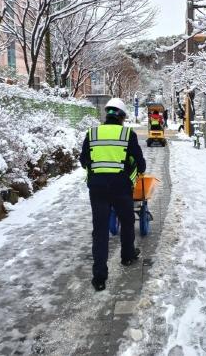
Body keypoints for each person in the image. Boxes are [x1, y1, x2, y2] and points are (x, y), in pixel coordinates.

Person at [79, 98, 147, 292]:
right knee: (126, 222)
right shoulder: (127, 134)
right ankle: (127, 256)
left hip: (97, 188)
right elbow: (141, 164)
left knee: (99, 231)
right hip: (121, 187)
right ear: (122, 117)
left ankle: (99, 277)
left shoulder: (91, 133)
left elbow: (84, 161)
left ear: (106, 114)